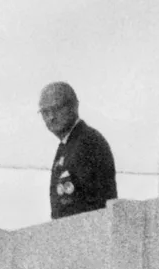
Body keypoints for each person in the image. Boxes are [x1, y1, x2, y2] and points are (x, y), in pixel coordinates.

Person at [38, 82, 117, 219]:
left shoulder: (88, 142)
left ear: (74, 106)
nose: (51, 117)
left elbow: (91, 207)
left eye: (56, 108)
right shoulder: (67, 145)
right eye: (45, 112)